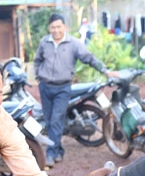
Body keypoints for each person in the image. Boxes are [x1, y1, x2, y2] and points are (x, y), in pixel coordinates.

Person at [34, 13, 117, 167]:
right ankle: (59, 151)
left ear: (64, 27)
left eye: (59, 27)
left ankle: (51, 155)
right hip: (45, 87)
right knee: (49, 120)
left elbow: (89, 58)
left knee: (55, 120)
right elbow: (37, 60)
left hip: (63, 88)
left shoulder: (73, 43)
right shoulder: (44, 42)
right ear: (49, 28)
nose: (56, 30)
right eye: (53, 27)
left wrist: (104, 71)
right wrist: (38, 75)